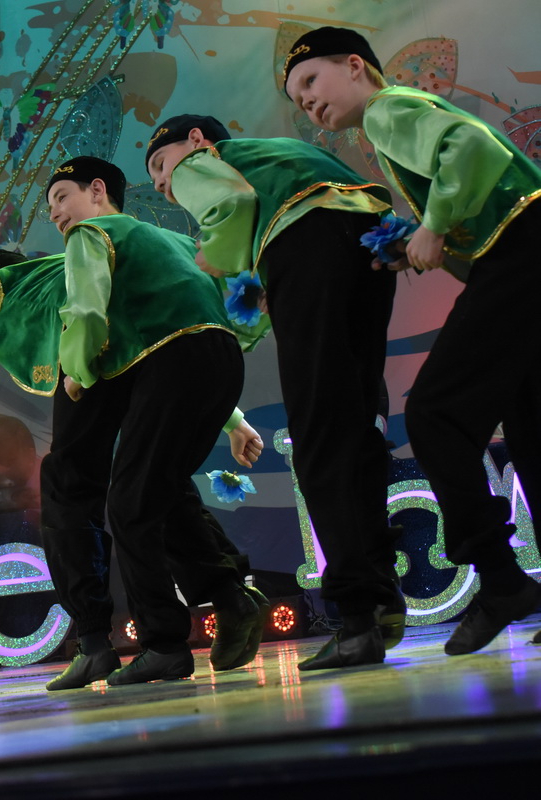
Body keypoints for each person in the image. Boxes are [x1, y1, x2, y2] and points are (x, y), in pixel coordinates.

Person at [0, 195, 267, 691]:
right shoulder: (124, 250)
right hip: (148, 361)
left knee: (71, 492)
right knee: (155, 488)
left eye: (61, 198)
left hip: (85, 365)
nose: (55, 213)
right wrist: (233, 419)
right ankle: (227, 597)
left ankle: (99, 641)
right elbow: (163, 333)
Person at [282, 25, 541, 655]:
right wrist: (426, 242)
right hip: (526, 249)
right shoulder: (398, 116)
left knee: (434, 414)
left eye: (311, 80)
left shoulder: (386, 109)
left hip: (520, 254)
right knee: (532, 425)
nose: (308, 102)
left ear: (356, 65)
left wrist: (436, 223)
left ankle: (501, 579)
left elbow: (471, 147)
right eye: (298, 100)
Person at [146, 111, 406, 670]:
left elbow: (231, 207)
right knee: (357, 429)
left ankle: (357, 618)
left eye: (162, 166)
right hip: (370, 243)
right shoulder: (282, 152)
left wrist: (215, 256)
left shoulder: (205, 163)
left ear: (196, 141)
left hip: (307, 246)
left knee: (317, 441)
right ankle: (382, 599)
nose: (165, 184)